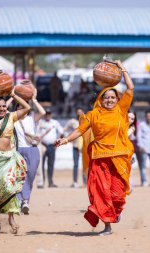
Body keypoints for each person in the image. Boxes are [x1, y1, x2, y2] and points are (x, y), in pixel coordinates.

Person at [55, 60, 134, 236]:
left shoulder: (121, 110)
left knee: (117, 195)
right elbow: (80, 130)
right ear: (101, 99)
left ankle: (116, 212)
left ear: (117, 99)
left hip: (119, 157)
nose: (110, 100)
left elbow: (130, 87)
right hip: (99, 159)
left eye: (113, 98)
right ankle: (107, 226)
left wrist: (122, 68)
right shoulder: (93, 115)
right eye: (106, 98)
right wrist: (66, 140)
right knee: (101, 193)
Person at [0, 71, 31, 234]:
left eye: (4, 106)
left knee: (9, 188)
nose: (2, 109)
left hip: (8, 159)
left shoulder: (11, 117)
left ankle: (11, 218)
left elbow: (27, 107)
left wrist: (12, 94)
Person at [7, 86, 46, 214]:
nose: (21, 108)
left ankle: (24, 200)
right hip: (18, 150)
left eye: (23, 107)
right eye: (19, 106)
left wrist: (34, 100)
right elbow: (4, 110)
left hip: (32, 150)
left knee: (30, 176)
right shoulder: (13, 119)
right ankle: (23, 201)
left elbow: (43, 112)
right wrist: (12, 97)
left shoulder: (32, 118)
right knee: (19, 177)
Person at [38, 109, 63, 188]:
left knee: (50, 165)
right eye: (46, 114)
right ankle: (42, 182)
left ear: (51, 115)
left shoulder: (55, 122)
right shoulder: (41, 122)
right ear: (45, 115)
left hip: (52, 146)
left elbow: (62, 132)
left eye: (49, 114)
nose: (48, 116)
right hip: (43, 145)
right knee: (41, 165)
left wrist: (58, 142)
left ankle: (50, 182)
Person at [64, 107, 85, 188]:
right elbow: (65, 129)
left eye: (80, 112)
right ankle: (75, 182)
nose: (79, 114)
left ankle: (85, 182)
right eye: (78, 112)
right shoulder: (73, 122)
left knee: (85, 165)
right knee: (75, 165)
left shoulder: (86, 121)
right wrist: (68, 138)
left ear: (83, 112)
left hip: (84, 146)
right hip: (76, 146)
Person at [137, 110, 150, 186]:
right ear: (145, 117)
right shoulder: (142, 125)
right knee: (143, 166)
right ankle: (144, 181)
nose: (148, 117)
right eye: (147, 116)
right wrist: (141, 146)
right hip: (144, 148)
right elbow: (139, 136)